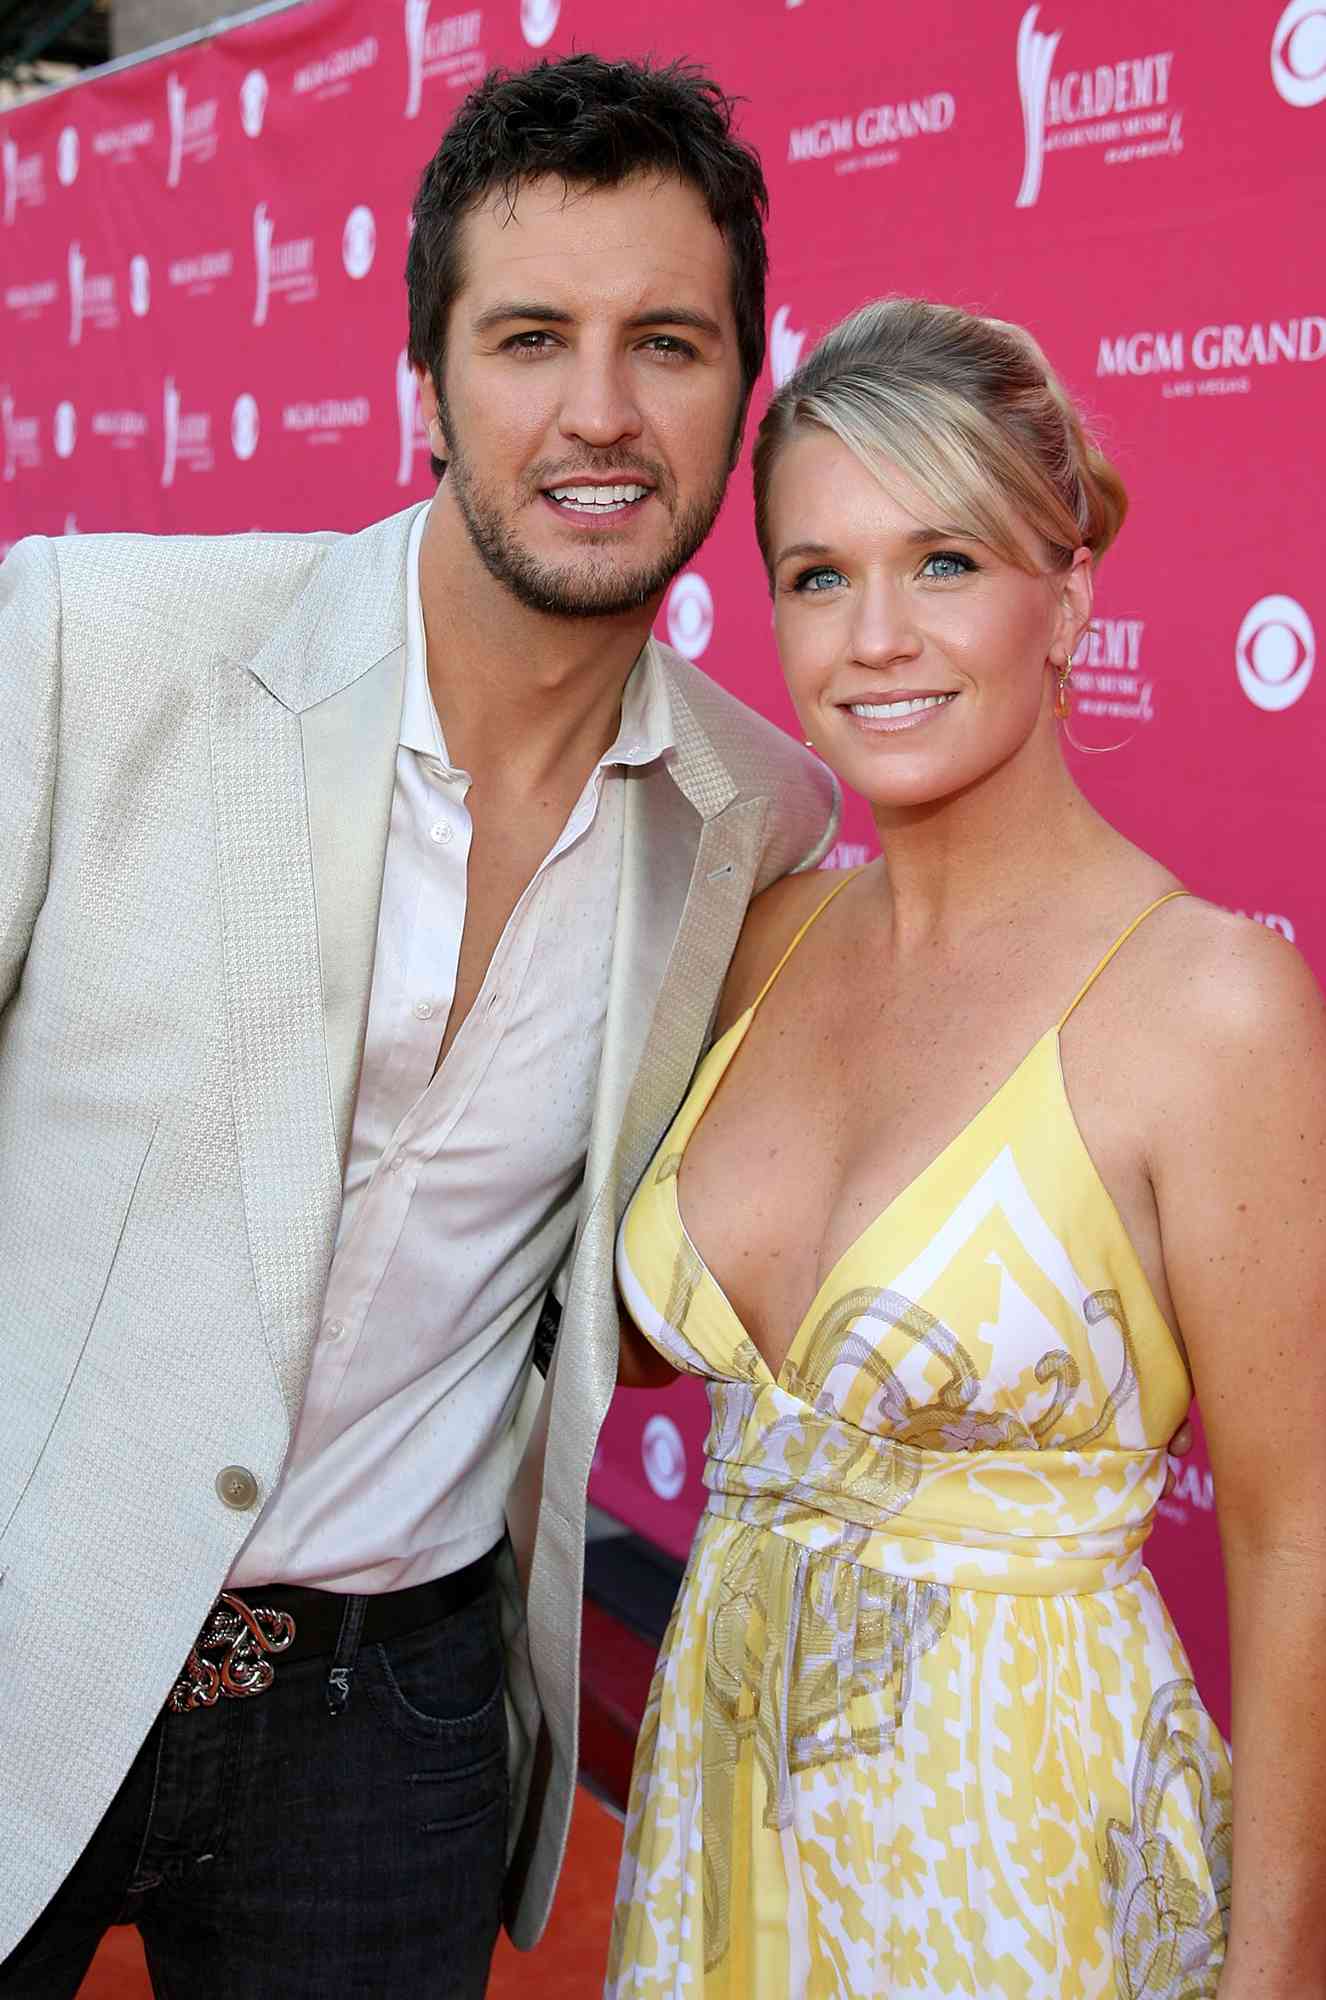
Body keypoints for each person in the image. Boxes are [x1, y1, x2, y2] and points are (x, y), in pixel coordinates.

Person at [0, 55, 840, 1997]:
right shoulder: (88, 649)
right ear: (423, 380)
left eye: (670, 343)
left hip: (389, 1724)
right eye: (530, 335)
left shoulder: (758, 819)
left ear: (742, 390)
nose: (601, 411)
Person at [607, 297, 1326, 1998]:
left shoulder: (1209, 1003)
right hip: (719, 1847)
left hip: (1028, 1874)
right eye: (814, 573)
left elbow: (1299, 1534)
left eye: (942, 562)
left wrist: (1281, 1973)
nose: (872, 636)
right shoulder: (763, 933)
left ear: (1065, 589)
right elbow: (630, 1337)